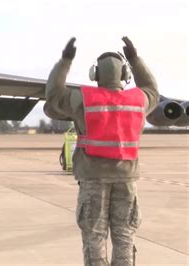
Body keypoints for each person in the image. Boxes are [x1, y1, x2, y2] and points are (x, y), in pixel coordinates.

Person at [44, 37, 158, 265]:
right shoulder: (138, 100)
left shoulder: (83, 99)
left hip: (93, 179)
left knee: (94, 238)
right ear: (125, 75)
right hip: (126, 180)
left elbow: (54, 96)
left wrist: (64, 62)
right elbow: (153, 90)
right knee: (124, 236)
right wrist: (135, 60)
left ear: (94, 75)